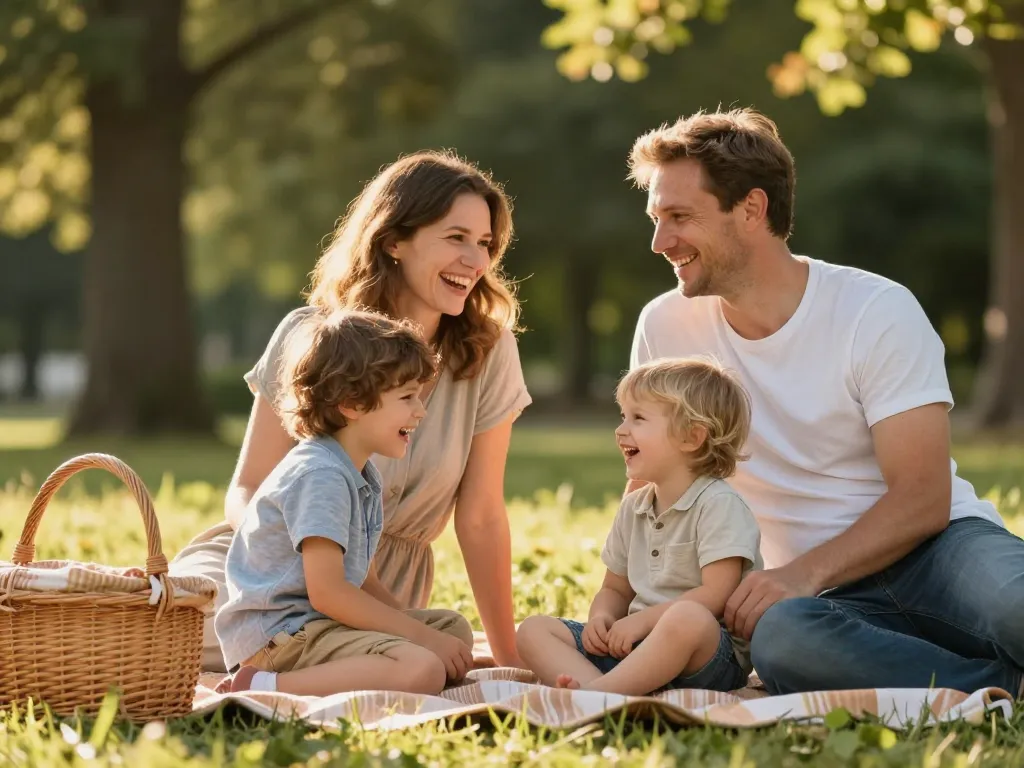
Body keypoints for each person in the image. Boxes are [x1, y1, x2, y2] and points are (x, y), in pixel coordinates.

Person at [626, 107, 1024, 697]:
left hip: (938, 551)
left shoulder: (875, 311)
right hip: (816, 600)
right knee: (784, 643)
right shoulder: (665, 325)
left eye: (680, 217)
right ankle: (1000, 689)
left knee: (1015, 605)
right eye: (657, 218)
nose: (661, 242)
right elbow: (652, 485)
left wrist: (802, 573)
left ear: (752, 209)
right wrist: (631, 606)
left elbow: (923, 498)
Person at [173, 151, 532, 673]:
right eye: (456, 238)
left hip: (378, 589)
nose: (476, 262)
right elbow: (249, 485)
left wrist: (508, 657)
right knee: (169, 634)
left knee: (433, 641)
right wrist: (295, 561)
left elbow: (480, 517)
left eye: (484, 244)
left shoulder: (488, 350)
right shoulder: (309, 335)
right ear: (393, 240)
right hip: (265, 566)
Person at [216, 310, 474, 695]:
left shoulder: (360, 473)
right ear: (351, 404)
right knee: (423, 668)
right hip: (283, 639)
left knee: (452, 629)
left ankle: (370, 667)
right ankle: (265, 685)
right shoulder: (321, 475)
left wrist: (422, 631)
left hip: (320, 625)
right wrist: (419, 640)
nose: (419, 410)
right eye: (407, 397)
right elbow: (329, 593)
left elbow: (364, 582)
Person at [516, 358, 761, 695]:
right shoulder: (634, 506)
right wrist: (601, 618)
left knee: (687, 618)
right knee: (533, 630)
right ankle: (602, 691)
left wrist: (642, 622)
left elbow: (715, 596)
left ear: (692, 437)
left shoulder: (719, 505)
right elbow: (616, 589)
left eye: (638, 418)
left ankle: (598, 695)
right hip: (631, 647)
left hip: (705, 658)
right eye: (622, 417)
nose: (620, 430)